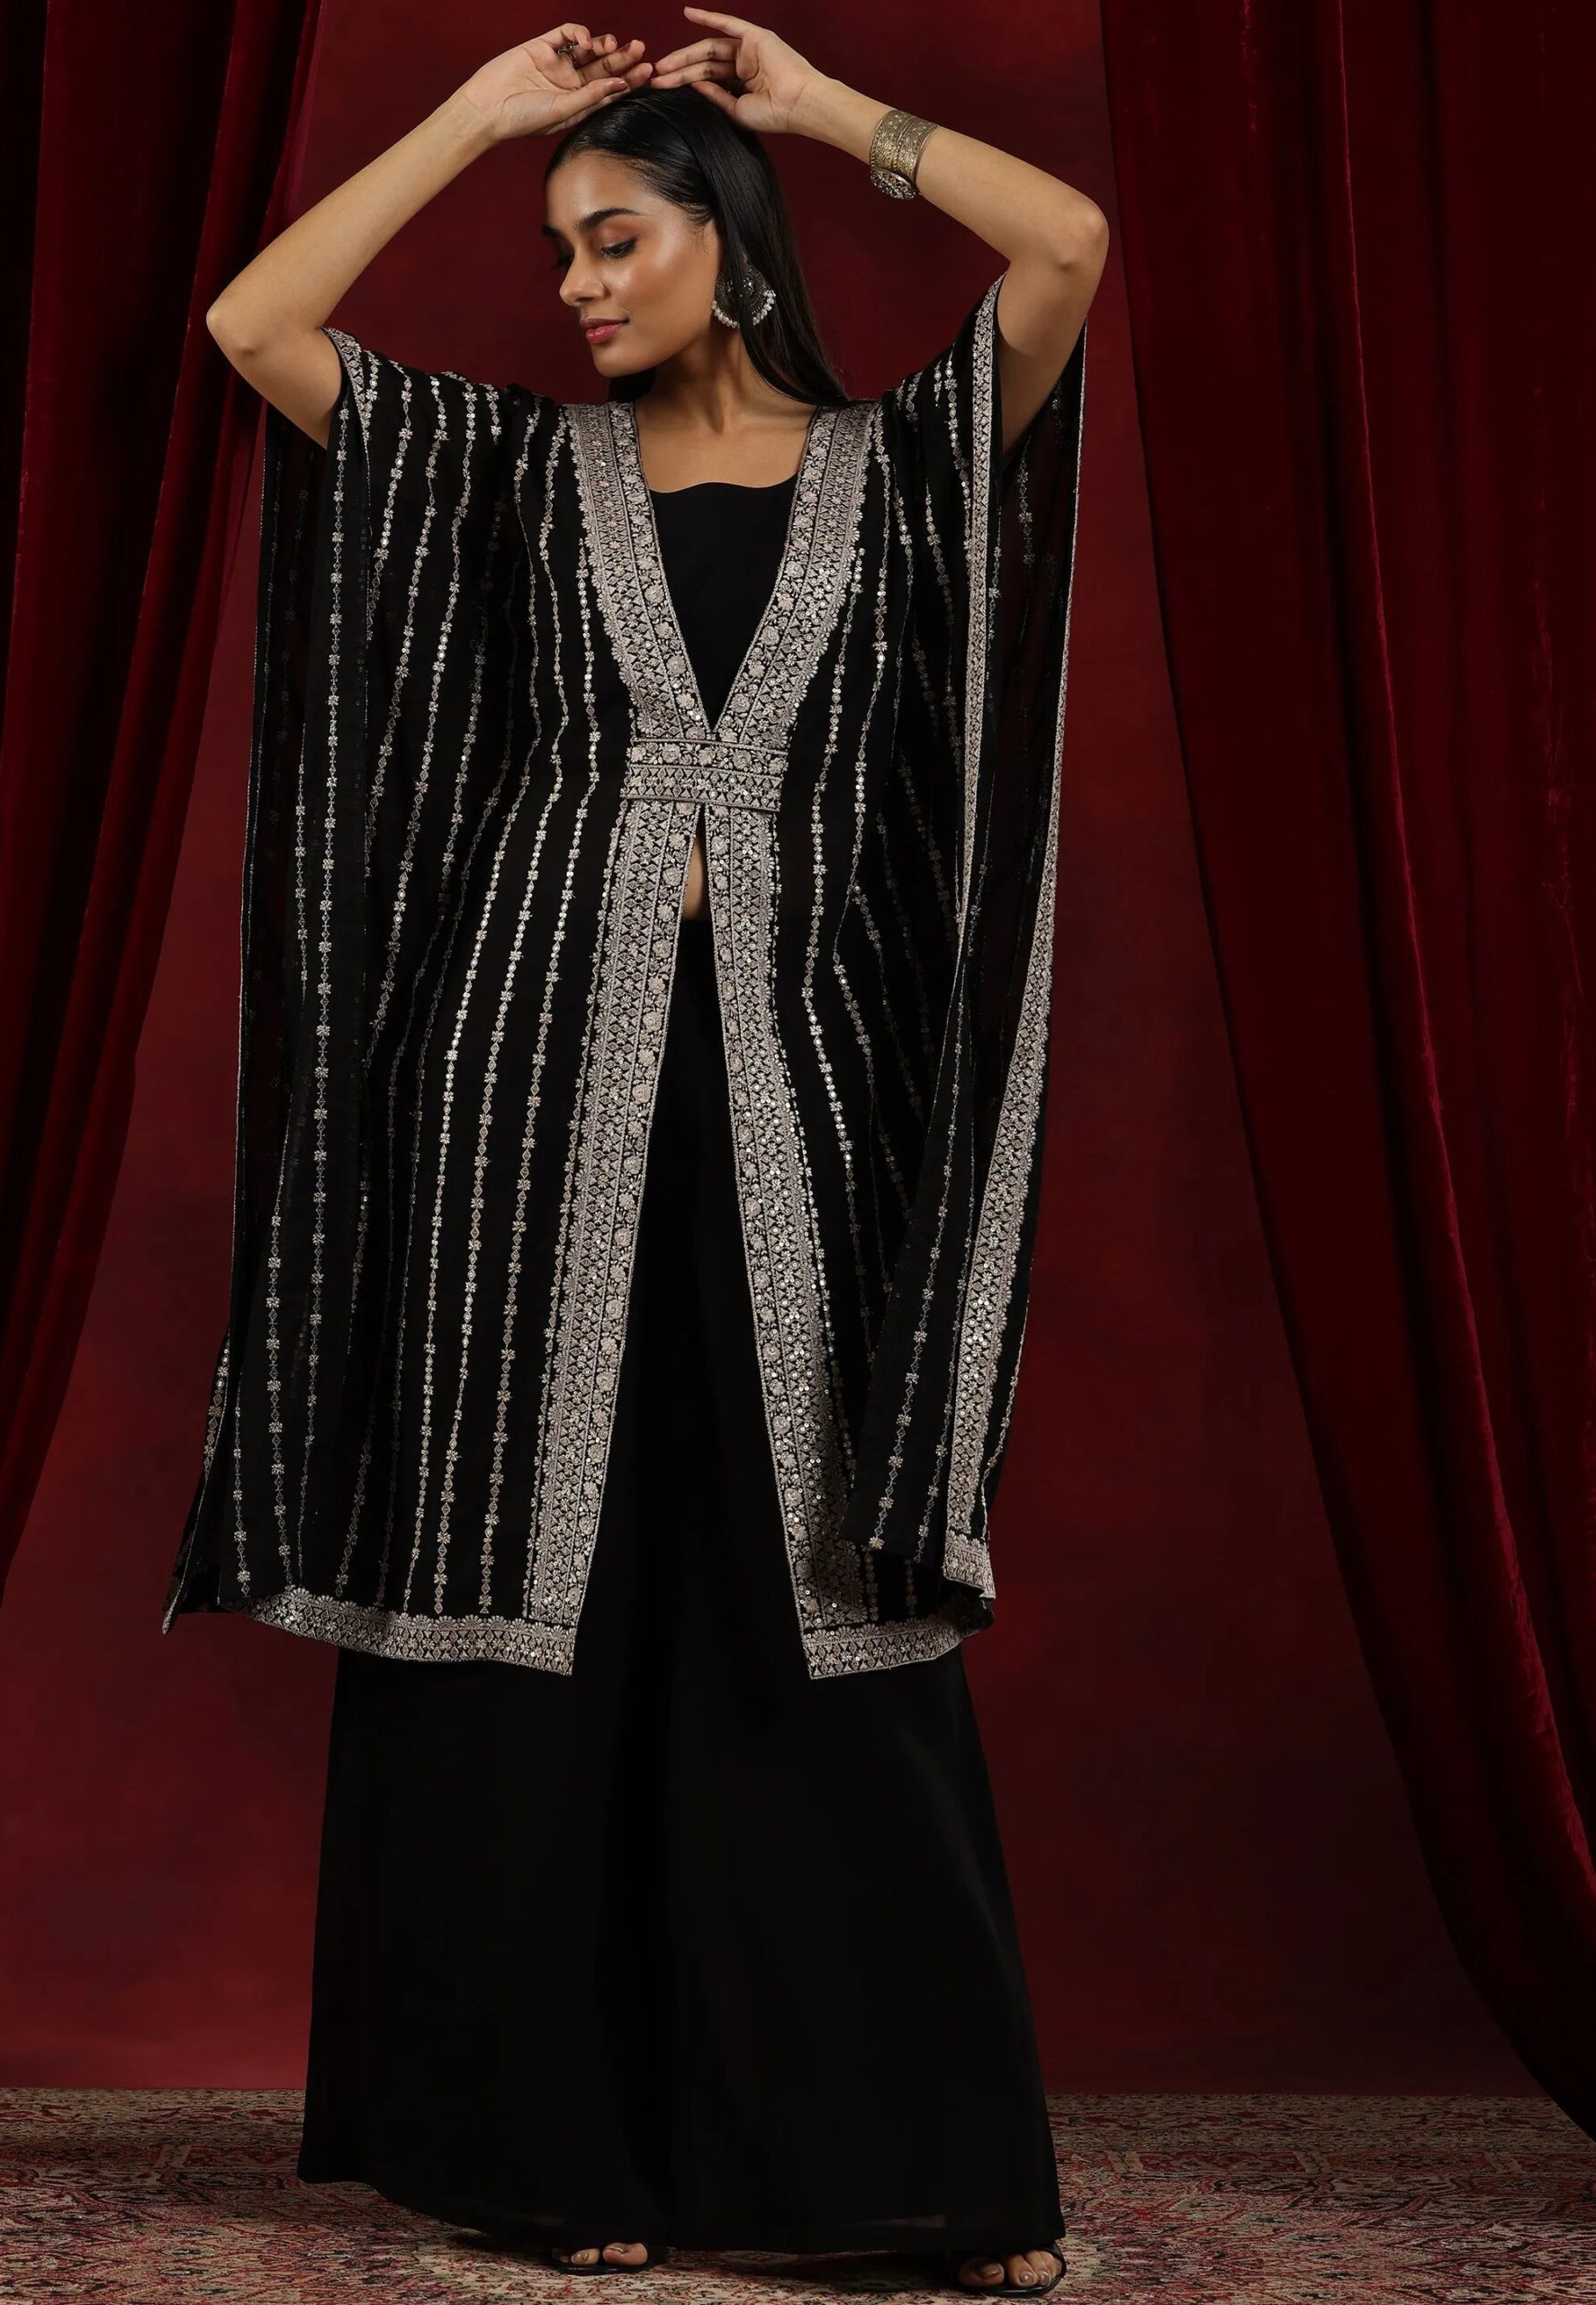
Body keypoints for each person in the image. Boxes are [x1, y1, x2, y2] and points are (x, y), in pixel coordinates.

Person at [168, 12, 1101, 2294]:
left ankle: (899, 2165)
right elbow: (258, 325)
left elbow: (1069, 244)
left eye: (616, 238)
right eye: (560, 249)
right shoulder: (511, 471)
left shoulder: (898, 470)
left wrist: (826, 113)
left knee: (815, 1595)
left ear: (730, 243)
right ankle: (542, 2150)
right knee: (531, 1605)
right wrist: (483, 116)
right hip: (519, 1104)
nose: (578, 285)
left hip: (804, 1108)